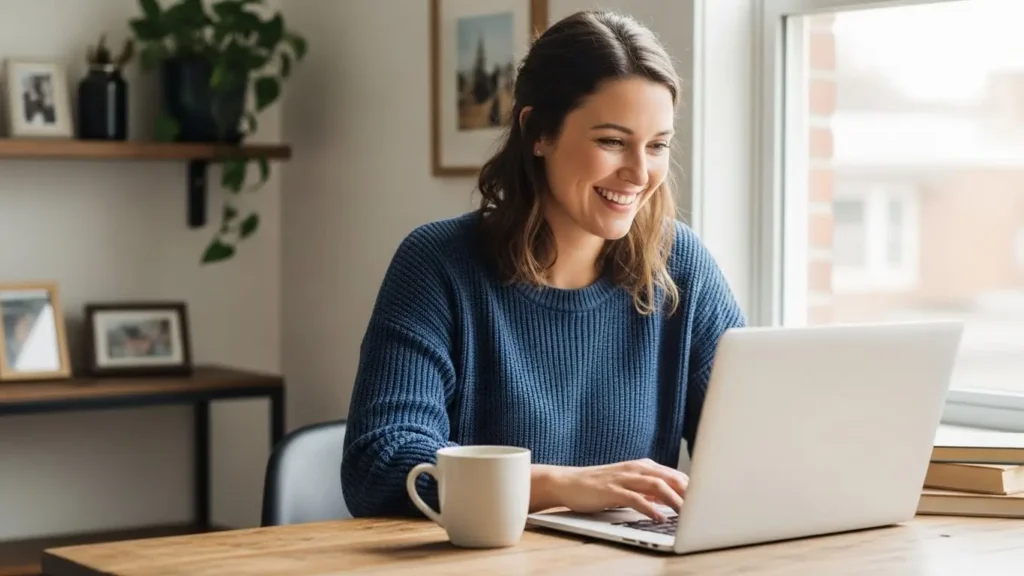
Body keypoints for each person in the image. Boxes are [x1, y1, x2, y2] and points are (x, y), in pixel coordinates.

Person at [341, 10, 746, 522]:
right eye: (612, 141)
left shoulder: (679, 266)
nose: (640, 173)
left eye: (658, 145)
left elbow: (753, 448)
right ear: (538, 131)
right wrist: (564, 485)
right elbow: (379, 467)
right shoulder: (438, 264)